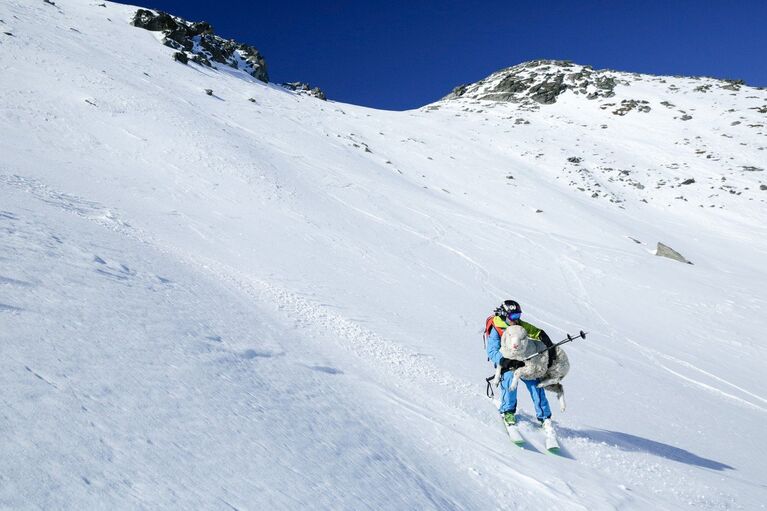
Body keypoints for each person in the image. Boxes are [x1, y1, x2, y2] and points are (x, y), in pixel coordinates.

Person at [485, 299, 557, 430]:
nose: (516, 319)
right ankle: (508, 412)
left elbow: (537, 332)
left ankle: (544, 417)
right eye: (513, 316)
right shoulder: (497, 328)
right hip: (506, 362)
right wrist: (504, 361)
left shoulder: (520, 325)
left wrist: (549, 344)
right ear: (504, 315)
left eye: (518, 316)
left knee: (536, 385)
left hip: (524, 360)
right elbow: (492, 351)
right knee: (508, 381)